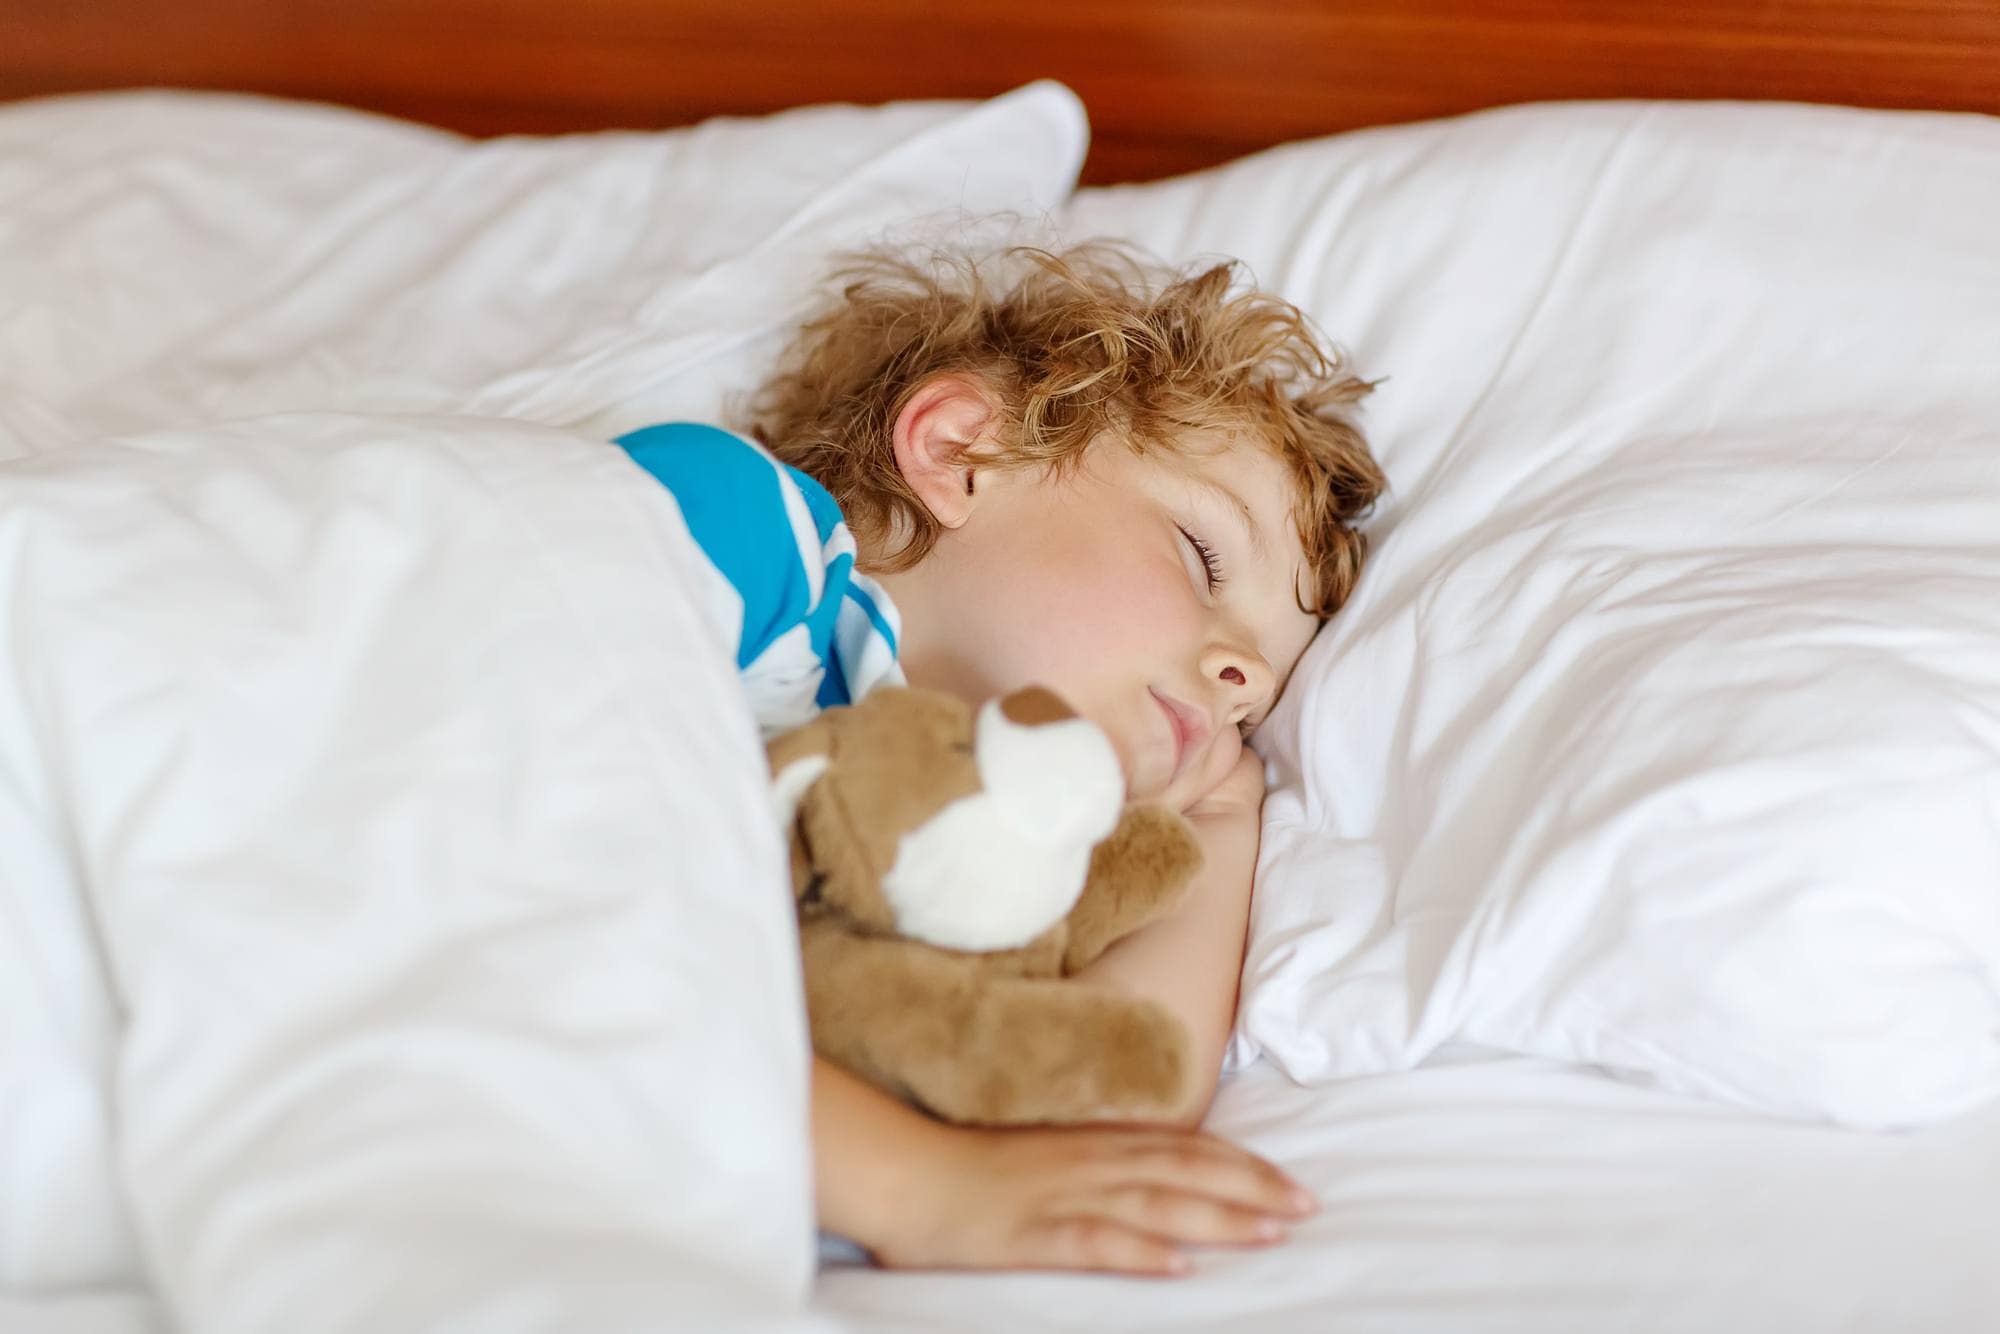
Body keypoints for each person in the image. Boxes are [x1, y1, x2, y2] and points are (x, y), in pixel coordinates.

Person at [623, 242, 1386, 1278]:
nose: (1241, 676)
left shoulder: (989, 863)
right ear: (958, 450)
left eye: (1258, 701)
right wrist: (914, 1184)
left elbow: (1102, 1087)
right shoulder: (732, 529)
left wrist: (1219, 827)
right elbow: (535, 892)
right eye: (1204, 558)